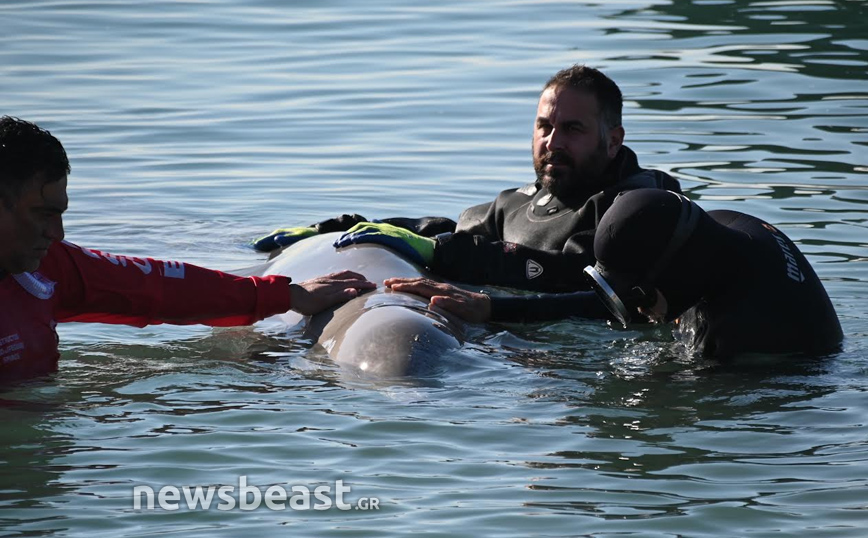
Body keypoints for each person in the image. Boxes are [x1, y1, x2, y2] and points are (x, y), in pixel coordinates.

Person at [0, 116, 375, 381]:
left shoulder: (45, 270)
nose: (58, 233)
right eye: (43, 214)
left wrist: (284, 294)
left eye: (60, 214)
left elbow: (156, 288)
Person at [256, 65, 682, 292]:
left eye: (573, 129)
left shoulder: (637, 203)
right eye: (543, 127)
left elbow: (576, 275)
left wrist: (439, 253)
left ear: (613, 140)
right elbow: (454, 232)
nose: (552, 142)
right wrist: (343, 228)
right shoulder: (519, 202)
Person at [384, 189, 843, 358]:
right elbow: (619, 301)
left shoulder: (741, 333)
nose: (638, 307)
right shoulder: (714, 233)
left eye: (640, 293)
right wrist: (494, 308)